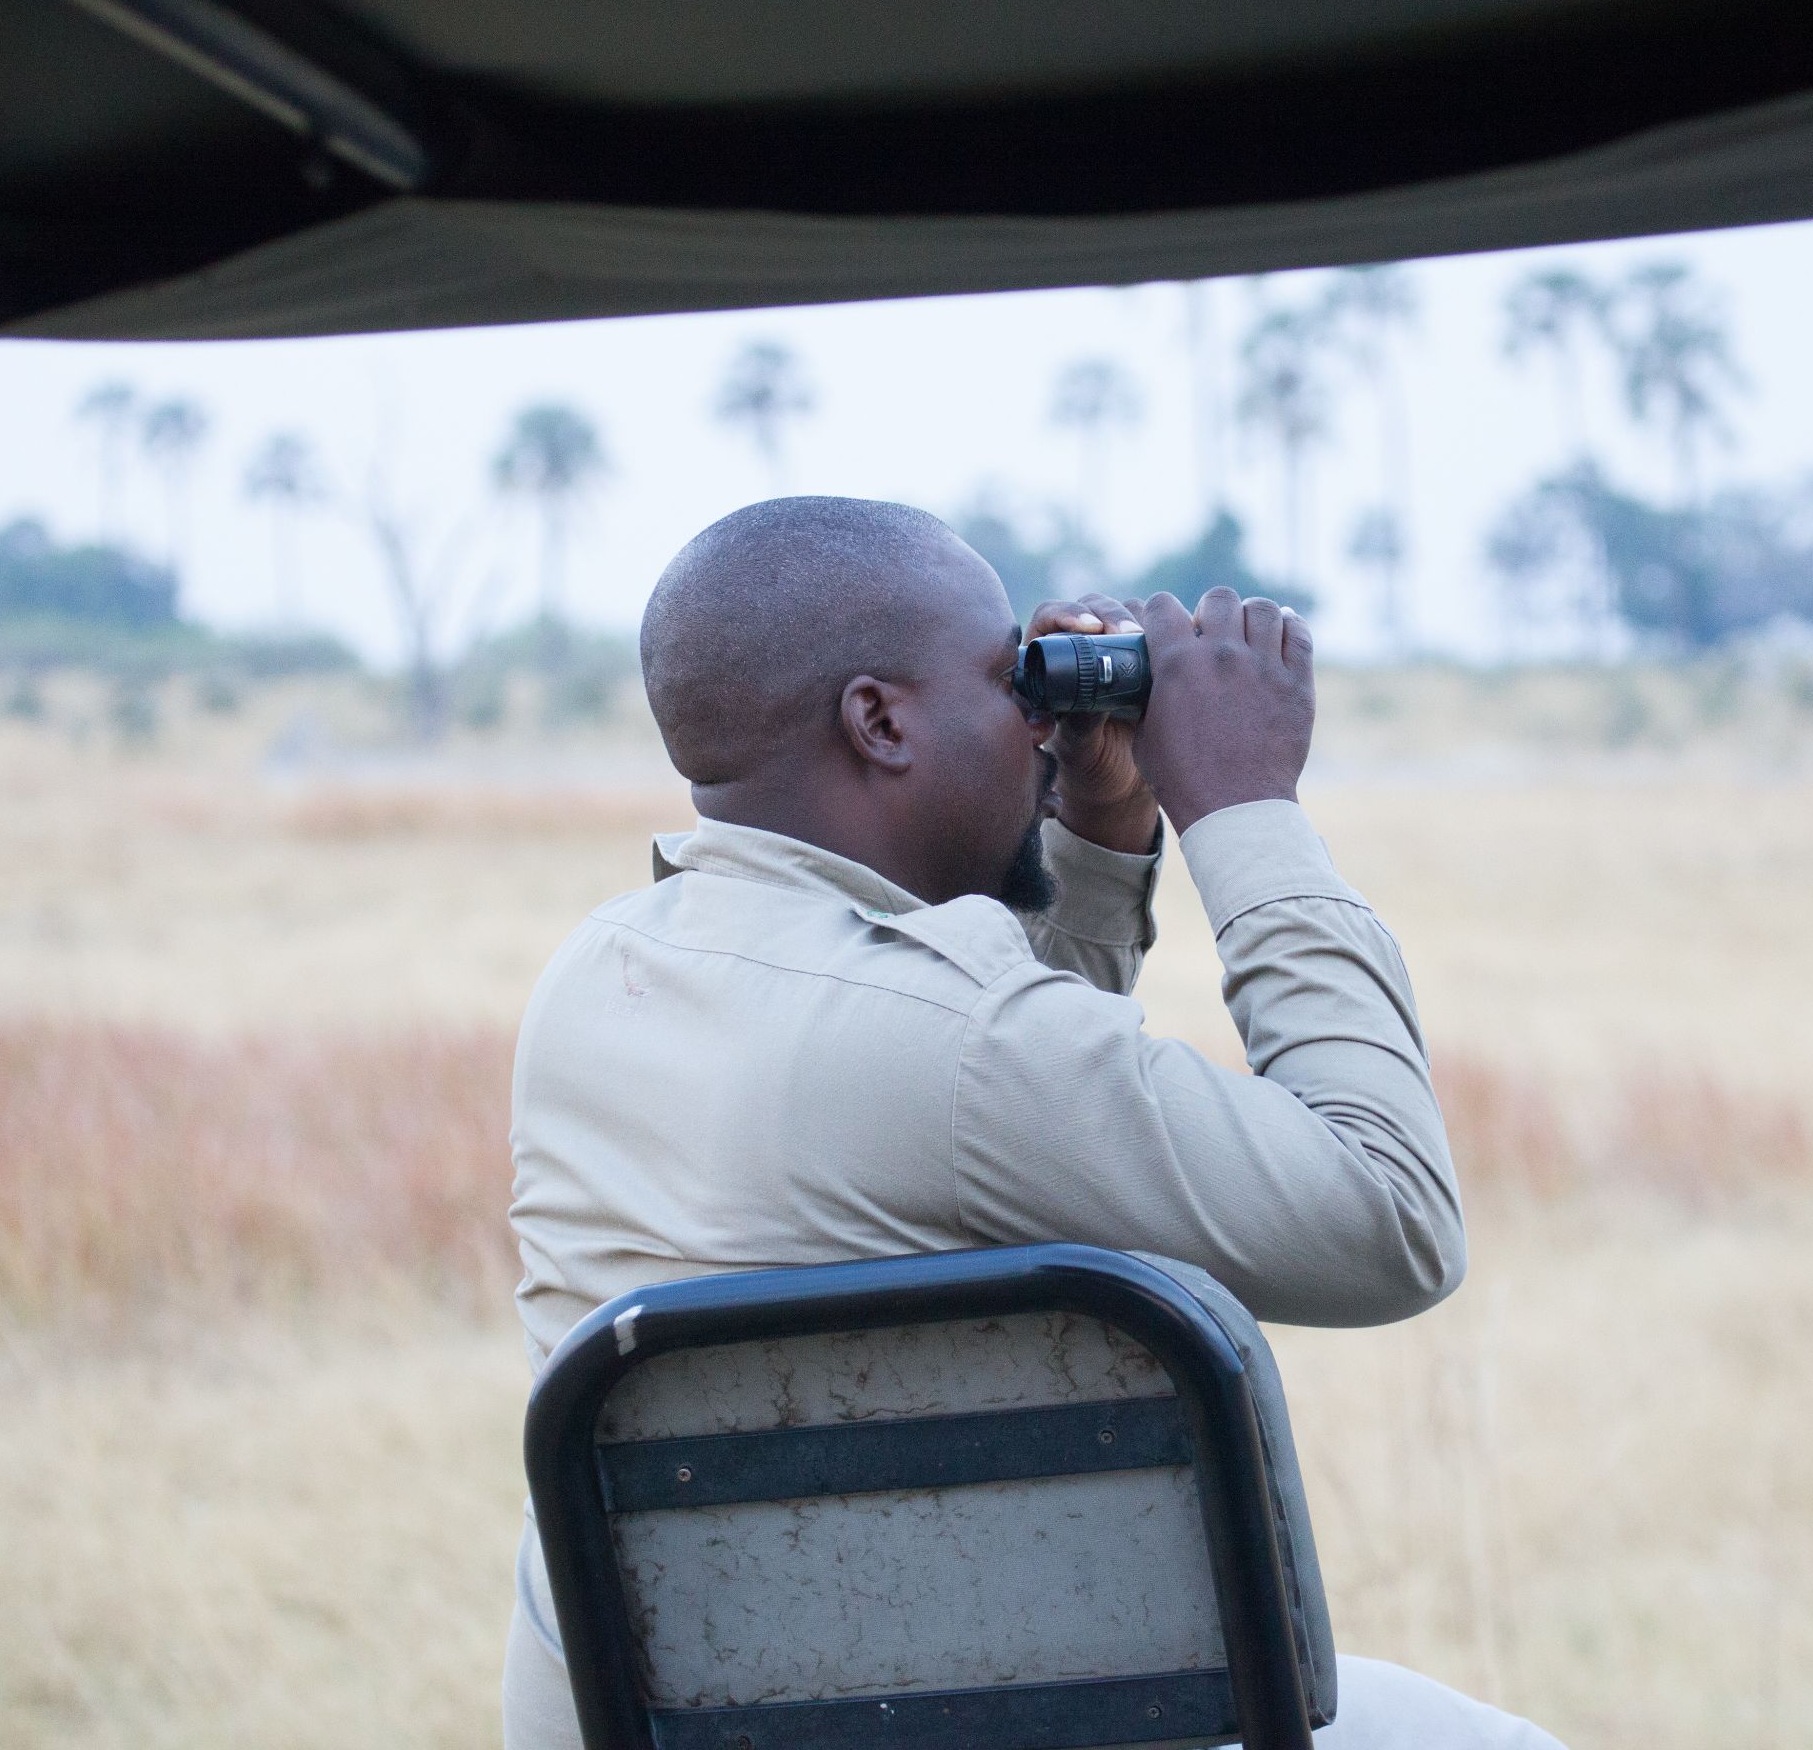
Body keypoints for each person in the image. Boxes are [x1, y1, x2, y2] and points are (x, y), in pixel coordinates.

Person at [503, 496, 1562, 1749]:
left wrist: (1100, 832)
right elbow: (1390, 1222)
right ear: (880, 721)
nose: (1040, 723)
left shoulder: (598, 974)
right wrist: (1243, 809)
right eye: (1015, 683)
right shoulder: (958, 1042)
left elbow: (991, 1114)